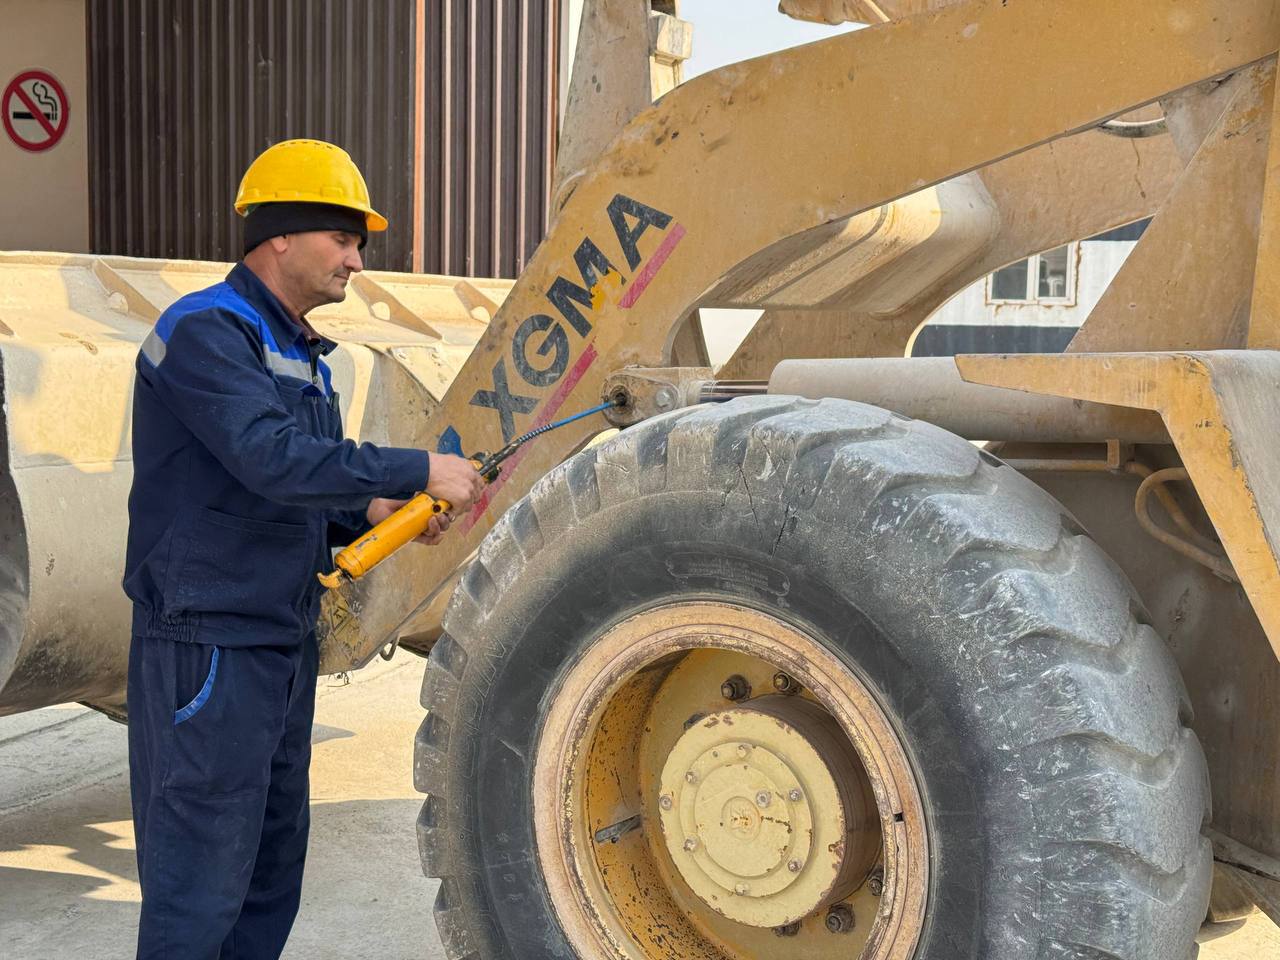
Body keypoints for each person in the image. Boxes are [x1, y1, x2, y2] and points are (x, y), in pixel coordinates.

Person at [121, 138, 483, 959]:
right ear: (280, 235)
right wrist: (416, 467)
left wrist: (372, 509)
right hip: (210, 644)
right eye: (343, 238)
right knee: (199, 882)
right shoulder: (207, 331)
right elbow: (269, 457)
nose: (357, 260)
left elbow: (293, 488)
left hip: (279, 641)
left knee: (267, 872)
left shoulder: (303, 355)